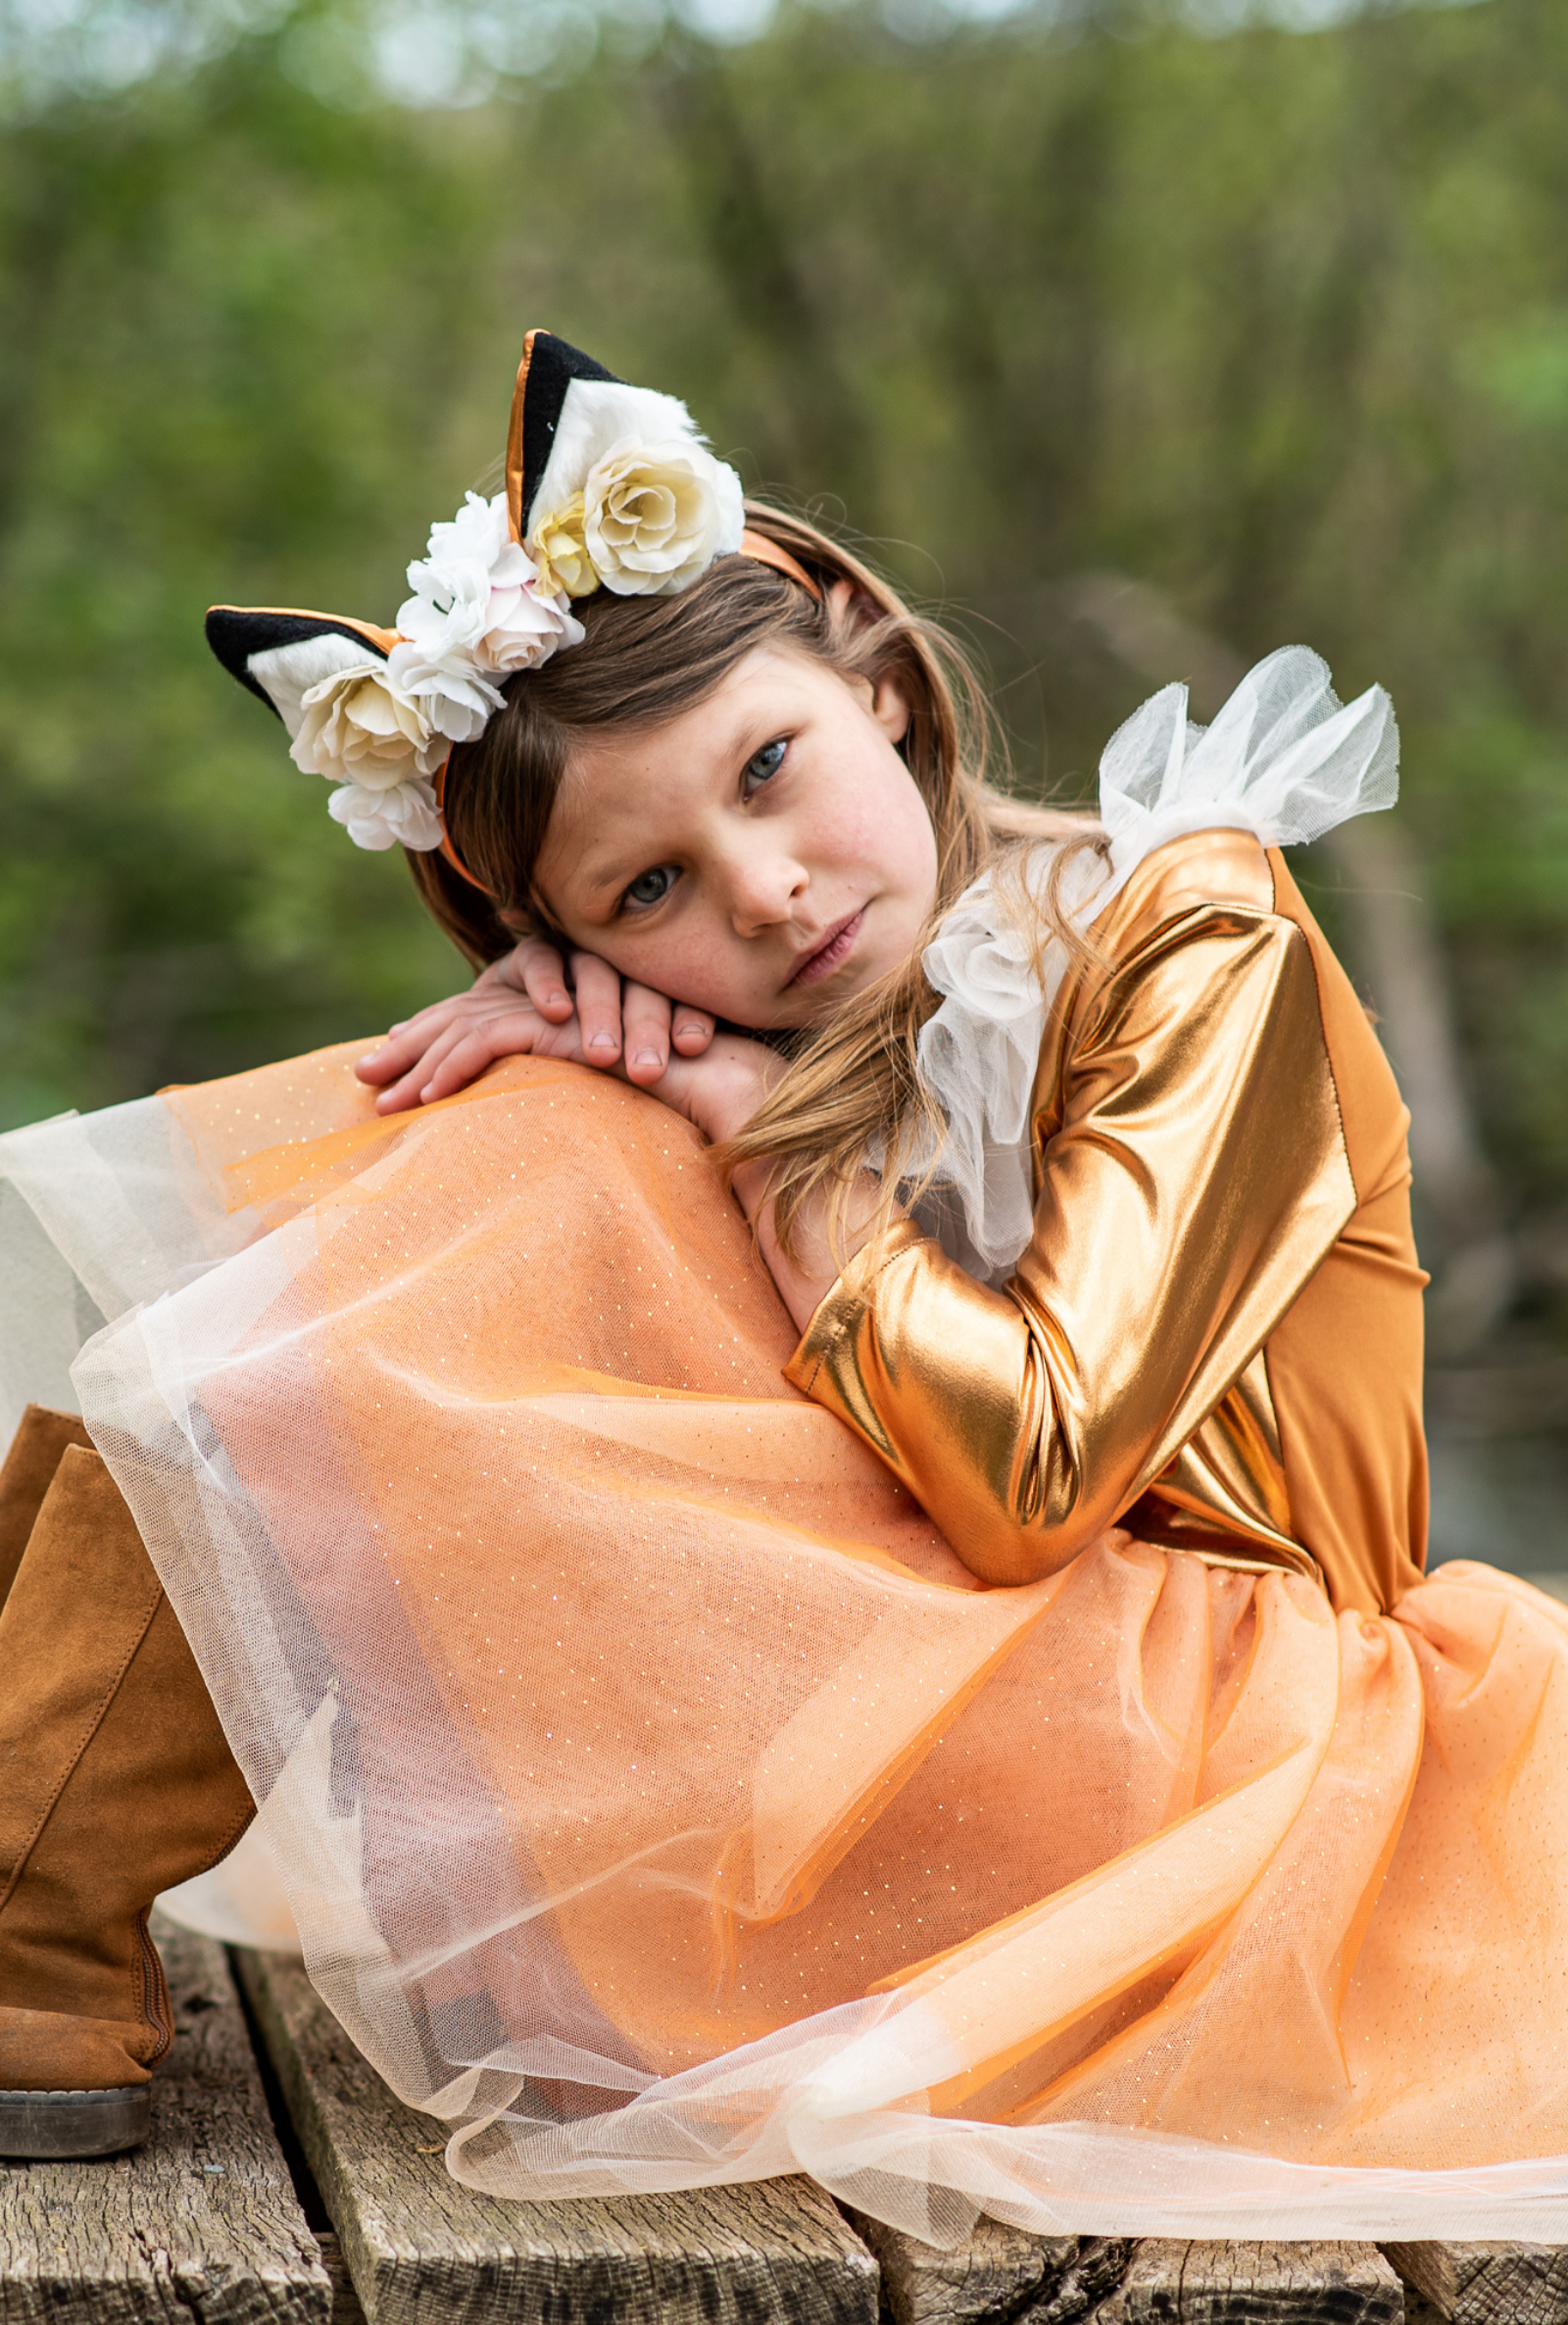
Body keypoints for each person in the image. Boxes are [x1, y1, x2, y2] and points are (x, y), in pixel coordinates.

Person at [0, 330, 1565, 2240]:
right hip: (946, 1709)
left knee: (519, 1161)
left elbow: (1032, 1476)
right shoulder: (749, 1043)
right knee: (503, 1140)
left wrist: (755, 1132)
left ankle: (25, 1921)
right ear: (561, 931)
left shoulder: (1188, 933)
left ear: (885, 692)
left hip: (1226, 1753)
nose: (758, 892)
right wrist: (594, 1069)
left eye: (767, 769)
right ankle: (28, 1916)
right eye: (643, 892)